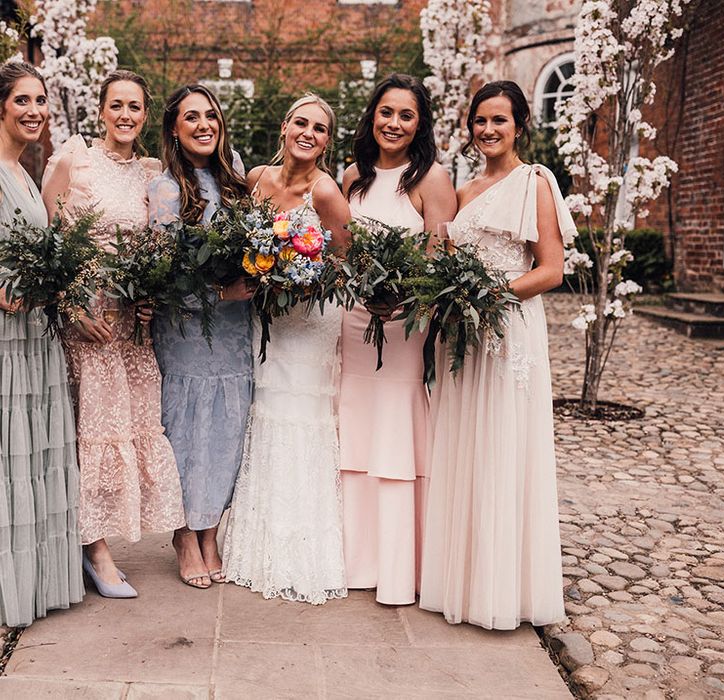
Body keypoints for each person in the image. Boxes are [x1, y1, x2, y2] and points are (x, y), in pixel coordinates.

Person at [419, 81, 572, 629]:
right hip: (465, 336)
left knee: (505, 446)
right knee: (468, 444)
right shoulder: (466, 187)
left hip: (509, 330)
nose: (487, 130)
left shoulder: (535, 181)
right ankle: (463, 579)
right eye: (479, 120)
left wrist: (487, 297)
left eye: (499, 121)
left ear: (520, 126)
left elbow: (551, 269)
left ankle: (505, 589)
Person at [42, 70, 186, 598]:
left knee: (130, 426)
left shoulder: (152, 172)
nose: (126, 115)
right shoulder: (72, 160)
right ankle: (96, 550)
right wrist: (69, 302)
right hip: (88, 320)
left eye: (136, 107)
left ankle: (99, 541)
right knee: (93, 431)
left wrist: (151, 292)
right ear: (100, 110)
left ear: (146, 116)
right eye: (117, 105)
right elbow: (47, 245)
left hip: (131, 324)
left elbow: (161, 246)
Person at [222, 94, 350, 605]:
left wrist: (298, 283)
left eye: (319, 129)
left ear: (326, 141)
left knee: (300, 417)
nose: (308, 133)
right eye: (302, 122)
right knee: (266, 410)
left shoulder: (327, 193)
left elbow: (344, 265)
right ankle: (257, 544)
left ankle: (305, 550)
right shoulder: (256, 179)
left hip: (308, 321)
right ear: (284, 126)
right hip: (265, 318)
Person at [339, 74, 456, 605]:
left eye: (406, 115)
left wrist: (408, 299)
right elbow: (338, 254)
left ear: (419, 124)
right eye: (386, 112)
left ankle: (398, 567)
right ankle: (352, 560)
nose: (394, 123)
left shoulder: (432, 178)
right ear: (372, 116)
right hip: (352, 320)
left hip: (405, 324)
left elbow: (440, 259)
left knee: (395, 427)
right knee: (355, 432)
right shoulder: (350, 179)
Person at [148, 84, 252, 590]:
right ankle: (184, 533)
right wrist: (216, 288)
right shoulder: (168, 189)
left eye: (211, 115)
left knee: (228, 426)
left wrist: (256, 274)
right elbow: (165, 272)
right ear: (174, 128)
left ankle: (210, 530)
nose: (204, 125)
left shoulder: (234, 179)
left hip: (235, 329)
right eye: (192, 118)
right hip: (189, 327)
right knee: (187, 429)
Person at [0, 61, 83, 623]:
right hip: (6, 336)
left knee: (31, 456)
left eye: (41, 100)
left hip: (35, 333)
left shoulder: (24, 170)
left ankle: (33, 582)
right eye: (23, 100)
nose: (35, 111)